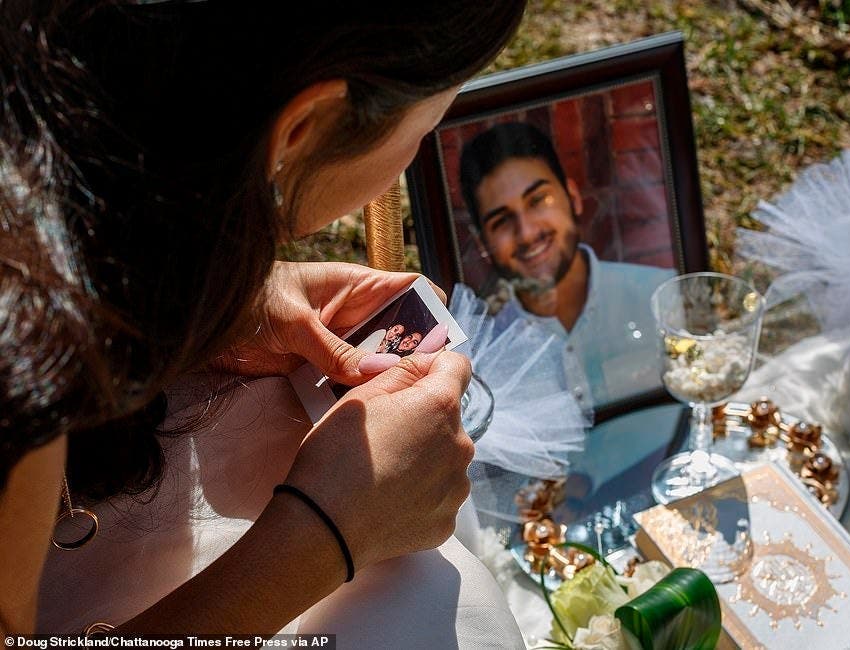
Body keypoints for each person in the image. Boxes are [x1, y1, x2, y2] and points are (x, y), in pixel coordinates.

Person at [0, 1, 527, 641]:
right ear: (305, 126)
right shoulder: (20, 325)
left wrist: (212, 307)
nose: (415, 155)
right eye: (426, 128)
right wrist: (323, 536)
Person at [459, 122, 676, 411]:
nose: (526, 233)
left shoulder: (662, 298)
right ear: (483, 242)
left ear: (572, 198)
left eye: (538, 200)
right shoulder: (481, 360)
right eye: (501, 221)